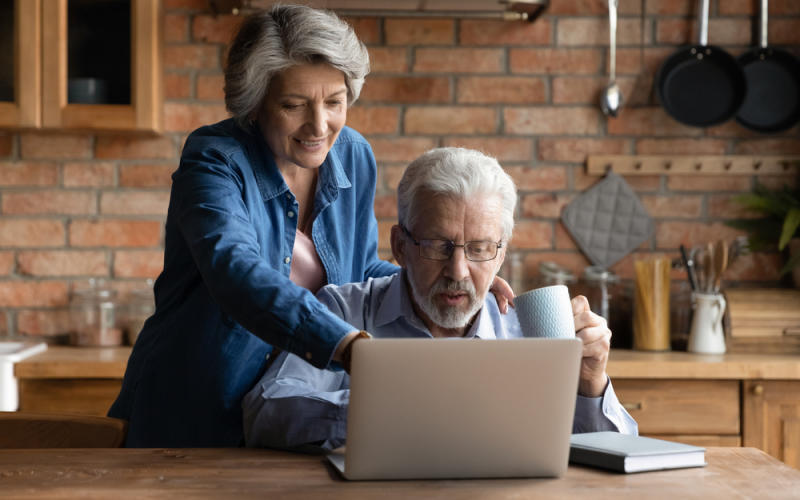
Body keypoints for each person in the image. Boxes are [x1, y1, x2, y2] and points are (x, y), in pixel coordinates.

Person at [109, 5, 511, 447]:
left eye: (334, 102)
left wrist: (446, 271)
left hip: (286, 419)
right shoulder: (215, 160)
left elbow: (360, 268)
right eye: (294, 105)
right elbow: (234, 271)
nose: (319, 126)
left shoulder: (353, 155)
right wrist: (344, 345)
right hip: (195, 411)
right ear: (255, 104)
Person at [242, 147, 638, 452]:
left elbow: (618, 454)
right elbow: (265, 412)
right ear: (401, 246)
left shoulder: (531, 328)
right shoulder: (344, 310)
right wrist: (385, 414)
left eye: (479, 248)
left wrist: (591, 384)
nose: (458, 271)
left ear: (501, 253)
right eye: (437, 245)